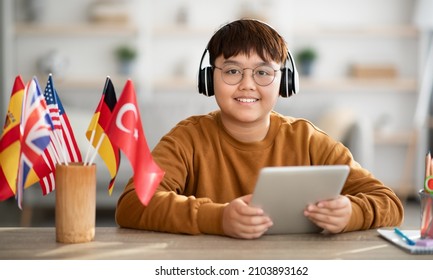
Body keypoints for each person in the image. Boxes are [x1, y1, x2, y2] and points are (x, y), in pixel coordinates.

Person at [115, 19, 404, 239]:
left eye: (263, 72)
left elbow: (389, 202)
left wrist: (351, 213)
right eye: (231, 71)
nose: (247, 84)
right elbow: (131, 204)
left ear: (285, 81)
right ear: (208, 79)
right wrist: (217, 218)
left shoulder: (308, 140)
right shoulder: (186, 139)